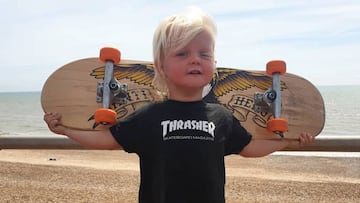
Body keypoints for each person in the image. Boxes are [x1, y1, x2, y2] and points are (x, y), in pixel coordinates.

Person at [44, 7, 315, 203]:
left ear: (213, 65)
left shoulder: (221, 116)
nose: (195, 60)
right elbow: (107, 139)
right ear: (161, 66)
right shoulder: (149, 116)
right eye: (183, 53)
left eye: (204, 54)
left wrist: (289, 141)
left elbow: (249, 148)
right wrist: (66, 129)